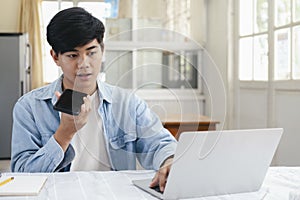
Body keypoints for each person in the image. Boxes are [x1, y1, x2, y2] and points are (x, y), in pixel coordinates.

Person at [11, 7, 177, 192]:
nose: (84, 64)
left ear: (102, 50)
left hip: (115, 194)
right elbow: (21, 175)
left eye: (91, 52)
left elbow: (159, 143)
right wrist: (64, 134)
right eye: (73, 55)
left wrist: (169, 160)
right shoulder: (29, 107)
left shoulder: (127, 103)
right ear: (55, 57)